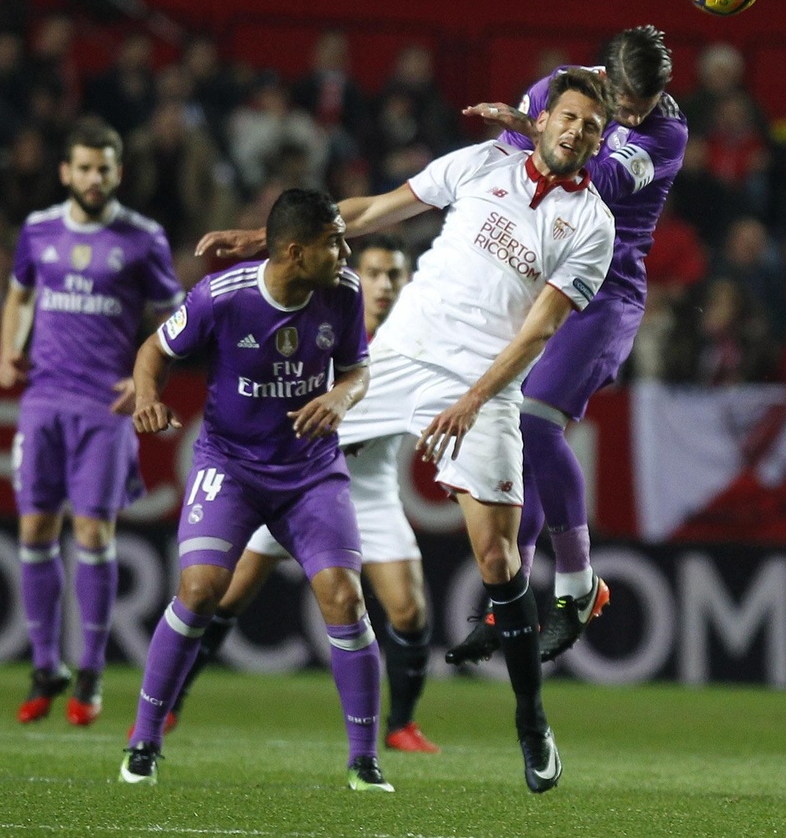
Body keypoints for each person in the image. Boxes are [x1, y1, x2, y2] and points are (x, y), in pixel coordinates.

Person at [198, 66, 618, 792]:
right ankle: (205, 596)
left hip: (482, 385)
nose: (576, 131)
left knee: (499, 560)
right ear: (544, 118)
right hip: (395, 358)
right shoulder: (482, 163)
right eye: (569, 116)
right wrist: (263, 236)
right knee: (282, 445)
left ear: (598, 141)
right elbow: (371, 210)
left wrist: (474, 398)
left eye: (592, 126)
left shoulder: (592, 224)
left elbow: (539, 331)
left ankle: (531, 721)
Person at [120, 190, 388, 791]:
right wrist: (147, 398)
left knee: (345, 598)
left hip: (310, 470)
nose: (346, 253)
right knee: (199, 589)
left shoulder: (343, 292)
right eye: (335, 242)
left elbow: (357, 370)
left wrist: (340, 396)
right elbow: (153, 351)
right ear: (295, 252)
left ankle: (364, 761)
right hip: (232, 466)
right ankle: (144, 741)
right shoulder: (222, 297)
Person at [455, 25, 688, 663]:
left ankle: (578, 584)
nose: (635, 117)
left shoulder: (666, 132)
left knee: (535, 423)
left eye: (645, 105)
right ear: (606, 82)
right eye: (627, 105)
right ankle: (509, 603)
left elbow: (600, 182)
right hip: (539, 280)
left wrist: (535, 133)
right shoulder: (556, 93)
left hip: (605, 294)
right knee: (517, 444)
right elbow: (509, 170)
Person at [170, 235, 440, 754]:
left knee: (408, 610)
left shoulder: (417, 348)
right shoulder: (325, 321)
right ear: (357, 276)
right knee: (223, 595)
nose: (384, 285)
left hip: (370, 490)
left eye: (395, 275)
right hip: (295, 480)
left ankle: (401, 725)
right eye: (375, 273)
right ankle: (172, 699)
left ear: (409, 282)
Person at [0, 118, 183, 727]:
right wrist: (8, 349)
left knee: (93, 534)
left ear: (117, 172)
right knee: (34, 528)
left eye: (103, 168)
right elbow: (20, 294)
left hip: (104, 407)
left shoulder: (143, 238)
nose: (93, 178)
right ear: (65, 172)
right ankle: (44, 665)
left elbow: (176, 317)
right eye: (83, 168)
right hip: (44, 399)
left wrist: (147, 381)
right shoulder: (38, 229)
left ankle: (92, 670)